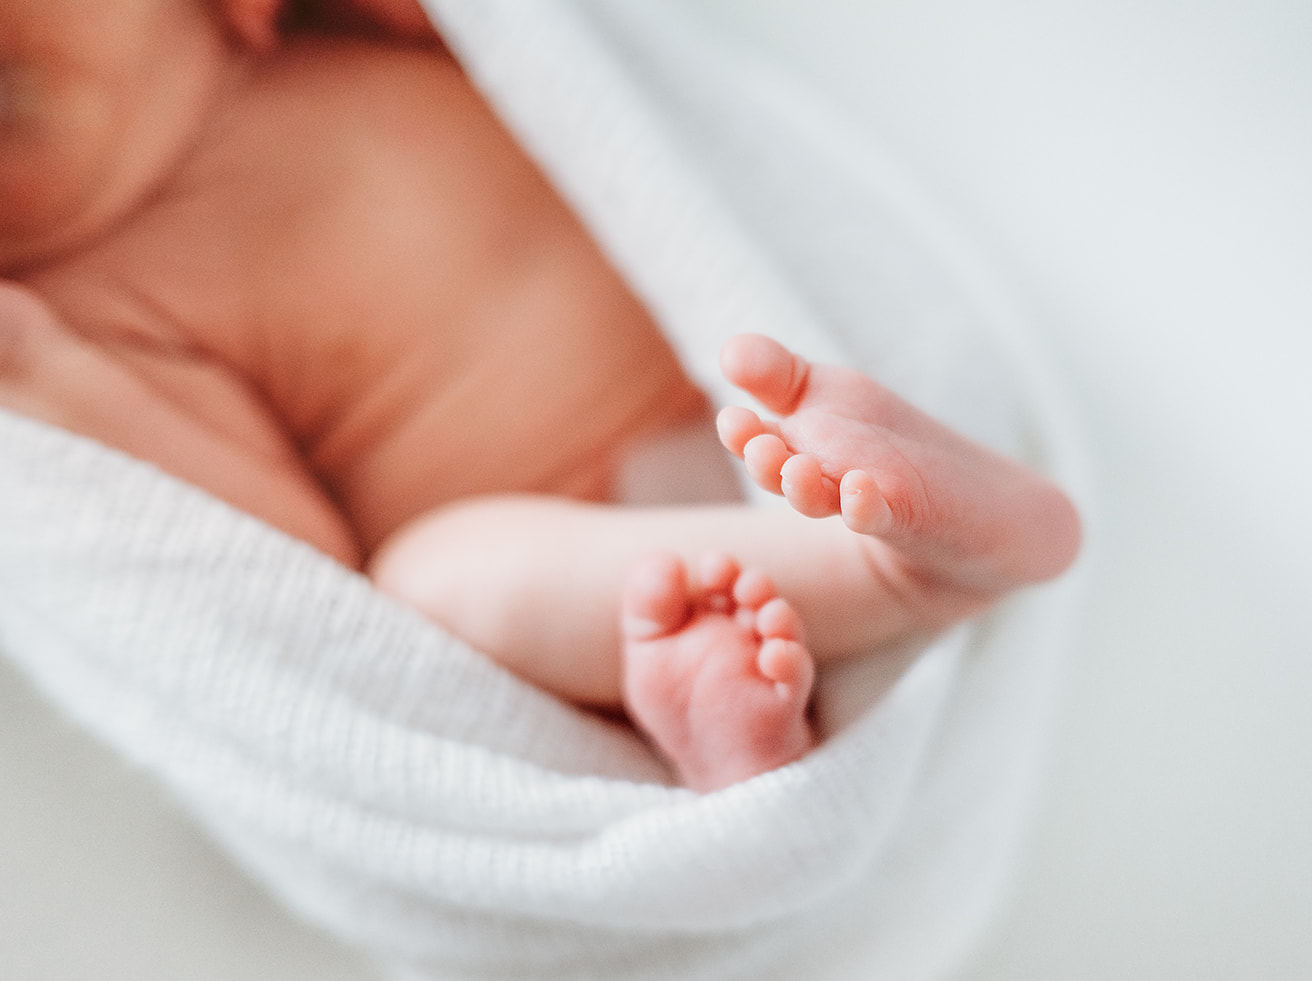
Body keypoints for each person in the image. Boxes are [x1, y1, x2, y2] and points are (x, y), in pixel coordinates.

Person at [0, 0, 1080, 790]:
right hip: (574, 566)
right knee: (427, 585)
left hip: (741, 379)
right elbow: (283, 568)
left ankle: (866, 575)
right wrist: (49, 379)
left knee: (780, 379)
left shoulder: (339, 33)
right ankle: (885, 585)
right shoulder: (89, 312)